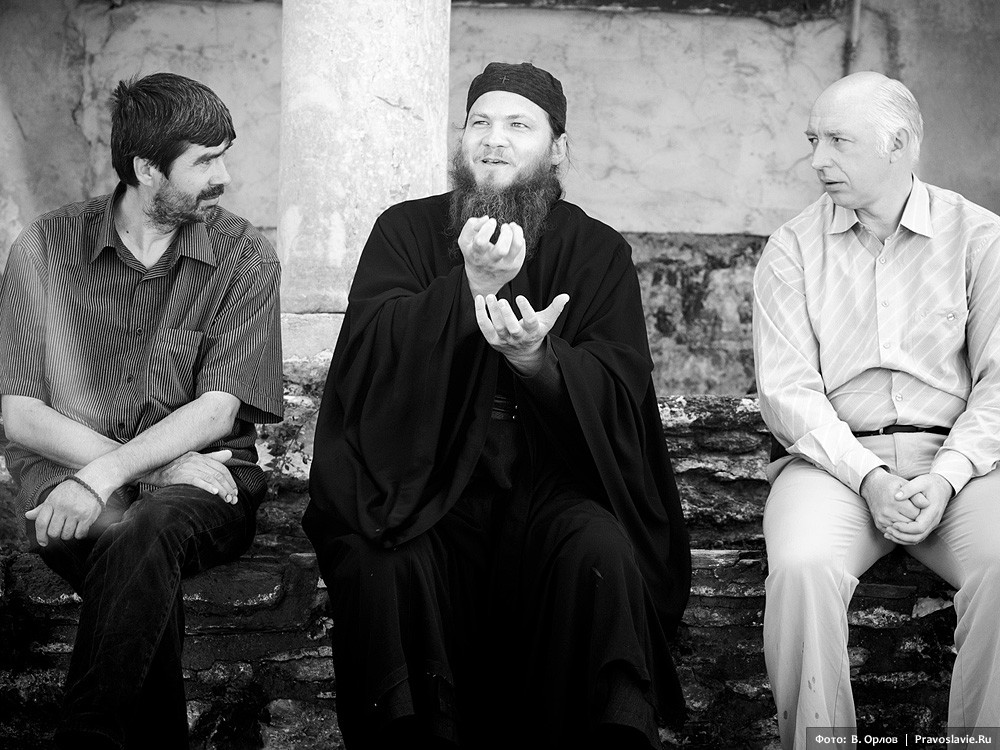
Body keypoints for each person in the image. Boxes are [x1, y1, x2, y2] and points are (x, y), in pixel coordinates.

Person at [304, 61, 690, 750]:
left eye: (519, 124)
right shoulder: (404, 230)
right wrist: (467, 287)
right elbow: (369, 357)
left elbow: (620, 385)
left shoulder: (596, 250)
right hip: (420, 481)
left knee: (600, 549)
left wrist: (538, 360)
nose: (494, 139)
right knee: (383, 565)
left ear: (557, 148)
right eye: (480, 122)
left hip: (548, 479)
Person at [0, 72, 283, 749]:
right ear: (146, 168)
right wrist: (140, 468)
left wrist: (116, 476)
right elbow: (18, 413)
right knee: (132, 540)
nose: (226, 176)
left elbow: (218, 410)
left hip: (206, 481)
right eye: (206, 161)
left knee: (141, 528)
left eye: (226, 154)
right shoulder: (44, 250)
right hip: (67, 481)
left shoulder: (244, 255)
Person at [754, 71, 1000, 748]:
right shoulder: (792, 249)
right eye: (813, 140)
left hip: (961, 464)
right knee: (801, 569)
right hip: (834, 465)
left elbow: (999, 382)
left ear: (900, 145)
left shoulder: (981, 238)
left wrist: (947, 474)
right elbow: (787, 390)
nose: (816, 160)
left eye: (837, 140)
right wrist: (870, 477)